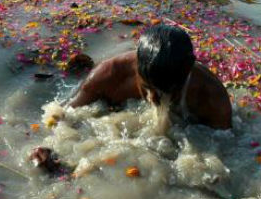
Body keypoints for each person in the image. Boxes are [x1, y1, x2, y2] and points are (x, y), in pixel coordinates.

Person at [68, 24, 232, 129]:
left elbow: (225, 145)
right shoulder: (109, 76)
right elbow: (65, 116)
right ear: (137, 65)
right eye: (148, 88)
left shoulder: (213, 99)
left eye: (167, 92)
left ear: (188, 70)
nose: (154, 98)